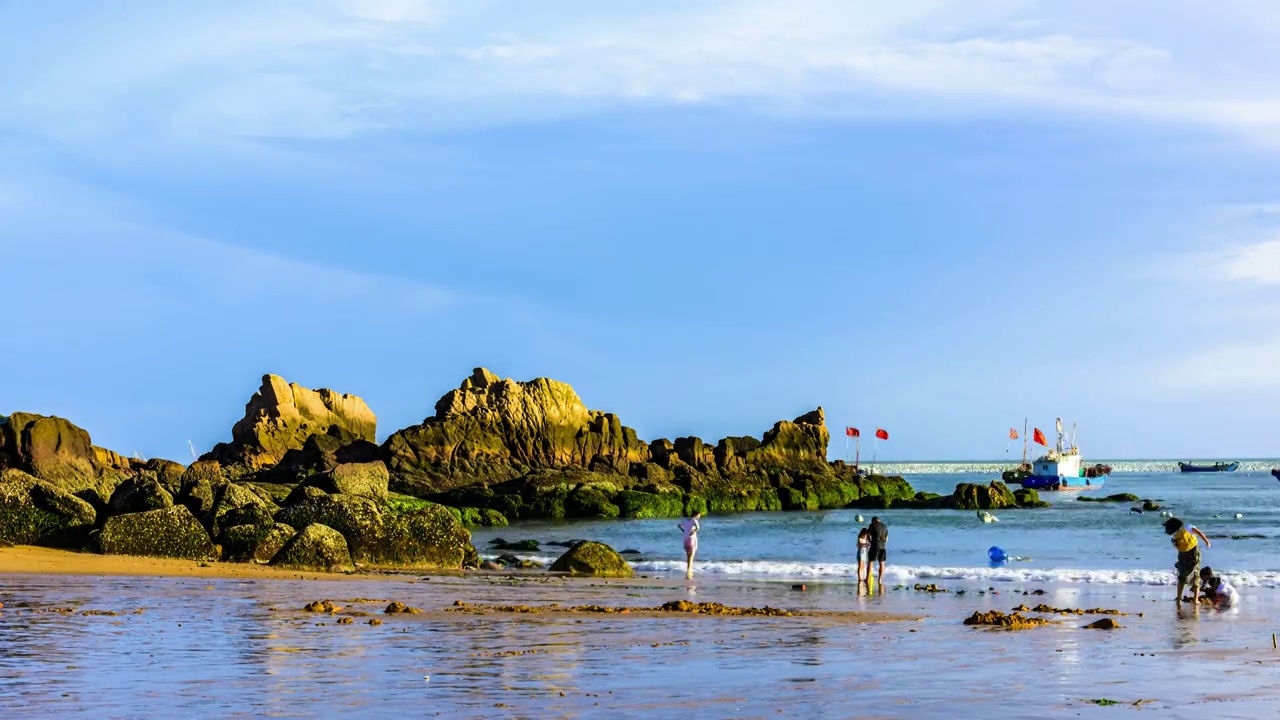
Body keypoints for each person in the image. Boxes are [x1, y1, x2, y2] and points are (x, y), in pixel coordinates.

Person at [1164, 517, 1210, 605]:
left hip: (1182, 554)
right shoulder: (1187, 527)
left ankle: (1178, 597)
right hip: (1194, 552)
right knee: (1196, 575)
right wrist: (1207, 541)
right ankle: (1196, 599)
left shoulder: (1174, 533)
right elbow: (1199, 533)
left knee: (1182, 575)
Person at [678, 512, 701, 579]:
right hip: (692, 538)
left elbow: (679, 525)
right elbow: (698, 528)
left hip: (685, 538)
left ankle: (688, 568)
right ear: (696, 515)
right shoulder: (694, 520)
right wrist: (694, 531)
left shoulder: (684, 520)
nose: (699, 517)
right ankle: (689, 570)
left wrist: (684, 530)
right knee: (692, 553)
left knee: (688, 553)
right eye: (699, 516)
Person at [867, 516, 888, 589]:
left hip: (875, 546)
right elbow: (886, 539)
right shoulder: (884, 526)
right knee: (881, 563)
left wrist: (870, 542)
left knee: (870, 562)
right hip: (883, 547)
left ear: (873, 521)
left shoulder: (872, 525)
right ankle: (880, 580)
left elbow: (868, 536)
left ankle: (867, 579)